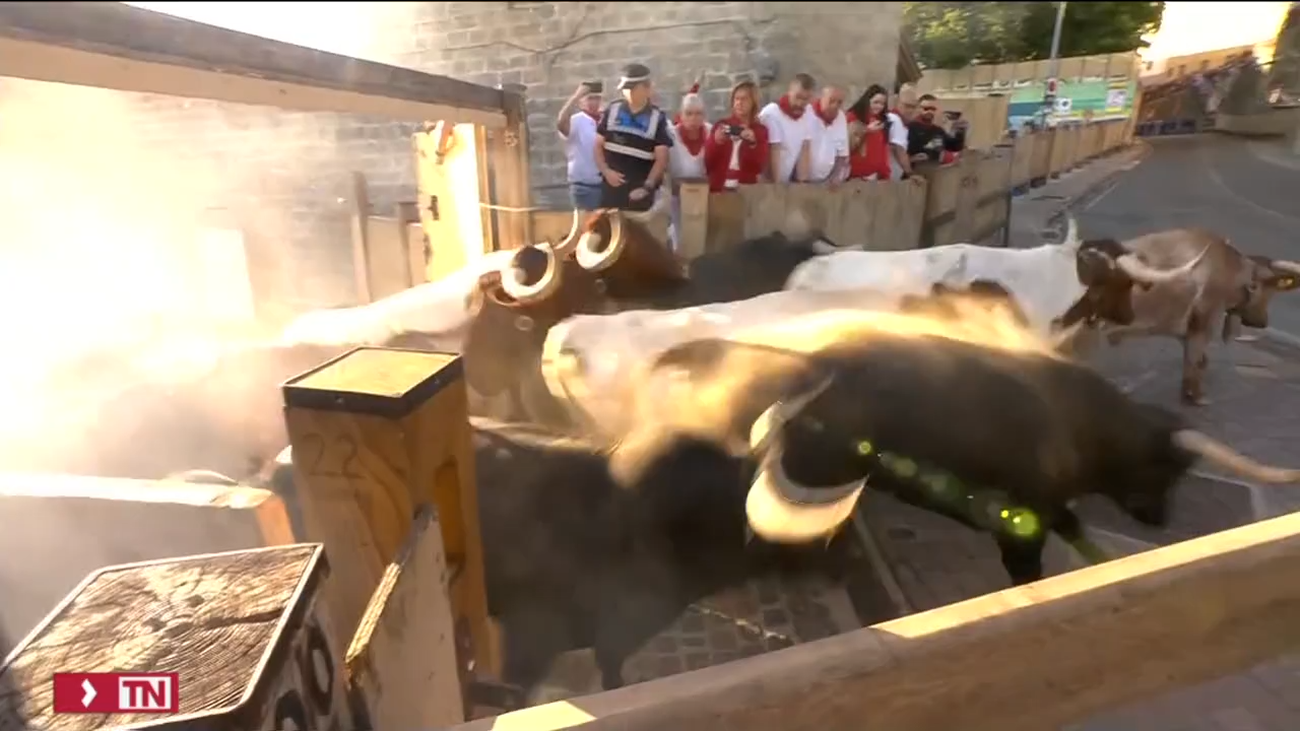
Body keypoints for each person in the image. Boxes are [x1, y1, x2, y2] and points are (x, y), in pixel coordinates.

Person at [594, 62, 674, 212]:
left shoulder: (657, 118)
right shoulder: (612, 110)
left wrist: (646, 187)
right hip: (610, 189)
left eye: (632, 88)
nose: (628, 92)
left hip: (638, 194)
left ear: (646, 88)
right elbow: (597, 145)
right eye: (625, 88)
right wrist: (606, 171)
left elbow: (662, 159)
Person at [703, 80, 769, 192]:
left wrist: (752, 144)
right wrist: (716, 142)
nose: (739, 102)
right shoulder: (722, 125)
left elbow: (758, 166)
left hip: (745, 190)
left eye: (744, 99)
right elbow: (708, 163)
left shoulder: (760, 131)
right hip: (719, 188)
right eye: (736, 99)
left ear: (753, 102)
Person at [666, 93, 711, 249]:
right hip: (677, 196)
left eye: (698, 114)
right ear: (681, 115)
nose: (693, 118)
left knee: (701, 238)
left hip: (703, 196)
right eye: (689, 113)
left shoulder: (711, 133)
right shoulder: (671, 135)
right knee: (680, 239)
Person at [758, 73, 818, 183]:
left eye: (805, 99)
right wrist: (777, 187)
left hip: (786, 180)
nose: (800, 103)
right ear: (789, 92)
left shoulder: (809, 113)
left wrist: (802, 183)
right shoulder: (772, 113)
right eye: (797, 97)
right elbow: (774, 149)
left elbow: (805, 147)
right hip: (766, 182)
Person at [556, 82, 605, 210]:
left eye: (597, 98)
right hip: (584, 187)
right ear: (580, 102)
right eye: (589, 98)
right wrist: (576, 95)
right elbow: (561, 123)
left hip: (605, 185)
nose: (594, 102)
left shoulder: (605, 121)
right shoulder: (576, 121)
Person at [844, 84, 894, 180]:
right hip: (852, 176)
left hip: (873, 177)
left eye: (882, 104)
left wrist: (885, 175)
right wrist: (866, 130)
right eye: (876, 102)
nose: (879, 106)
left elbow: (883, 151)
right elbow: (847, 143)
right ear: (867, 101)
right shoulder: (852, 117)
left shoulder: (882, 122)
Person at [907, 93, 968, 165]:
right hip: (914, 172)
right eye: (926, 108)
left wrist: (960, 131)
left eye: (932, 109)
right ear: (918, 109)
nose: (929, 112)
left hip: (935, 171)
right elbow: (898, 153)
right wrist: (912, 159)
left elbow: (955, 147)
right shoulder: (909, 129)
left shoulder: (938, 131)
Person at [808, 85, 849, 185]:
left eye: (839, 102)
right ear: (821, 98)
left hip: (826, 181)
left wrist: (835, 176)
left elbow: (842, 152)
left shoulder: (841, 117)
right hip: (800, 180)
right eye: (831, 101)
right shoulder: (807, 113)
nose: (835, 106)